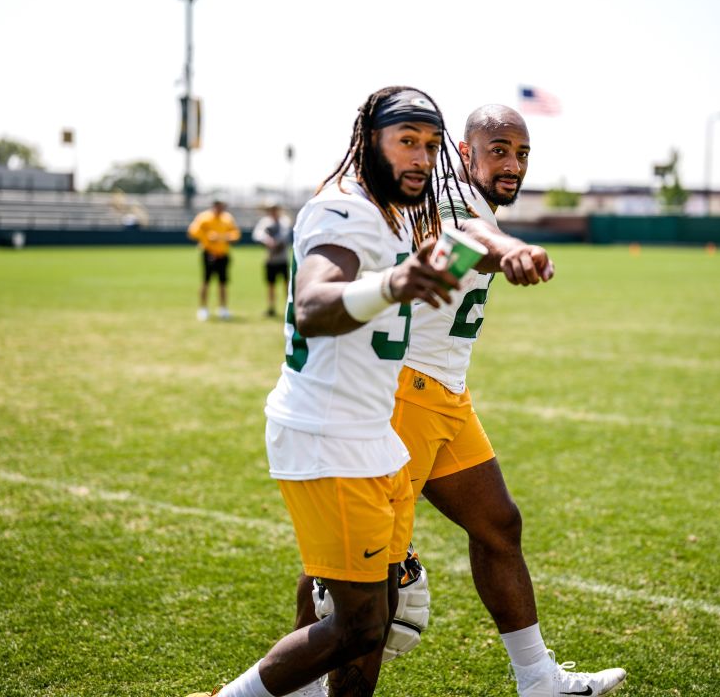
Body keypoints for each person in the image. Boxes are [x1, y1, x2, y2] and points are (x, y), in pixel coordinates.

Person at [293, 105, 628, 696]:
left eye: (522, 154)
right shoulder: (448, 198)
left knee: (498, 525)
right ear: (465, 152)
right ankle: (307, 689)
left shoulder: (460, 200)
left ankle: (539, 680)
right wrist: (510, 249)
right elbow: (470, 234)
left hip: (446, 395)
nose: (512, 164)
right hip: (405, 397)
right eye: (498, 150)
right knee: (374, 582)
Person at [187, 86, 462, 697]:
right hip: (328, 436)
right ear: (370, 142)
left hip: (372, 434)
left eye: (431, 145)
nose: (421, 158)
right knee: (359, 625)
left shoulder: (393, 210)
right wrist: (391, 284)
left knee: (374, 617)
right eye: (407, 142)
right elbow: (313, 304)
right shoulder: (346, 208)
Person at [187, 199, 241, 321]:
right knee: (206, 281)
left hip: (223, 254)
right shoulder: (204, 217)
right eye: (218, 205)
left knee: (223, 282)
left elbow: (236, 234)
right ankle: (203, 309)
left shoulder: (227, 218)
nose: (220, 208)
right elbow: (192, 232)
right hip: (209, 253)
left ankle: (223, 308)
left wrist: (225, 237)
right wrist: (208, 237)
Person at [252, 200, 293, 317]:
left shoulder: (284, 221)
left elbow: (284, 235)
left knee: (286, 284)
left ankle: (288, 307)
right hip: (270, 259)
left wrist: (274, 242)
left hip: (283, 258)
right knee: (271, 285)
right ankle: (271, 308)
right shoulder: (265, 222)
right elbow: (258, 234)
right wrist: (266, 240)